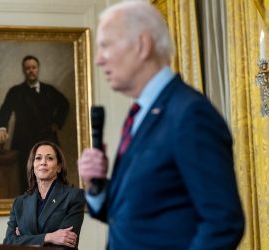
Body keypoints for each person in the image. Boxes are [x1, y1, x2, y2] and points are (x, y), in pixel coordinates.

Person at [78, 1, 245, 250]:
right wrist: (96, 186)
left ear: (142, 45)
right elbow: (136, 214)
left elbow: (223, 222)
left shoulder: (190, 114)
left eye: (106, 46)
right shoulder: (141, 114)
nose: (99, 60)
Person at [0, 55, 69, 192]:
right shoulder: (15, 92)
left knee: (52, 178)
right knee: (27, 181)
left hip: (47, 139)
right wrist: (1, 128)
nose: (31, 71)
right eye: (27, 68)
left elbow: (65, 104)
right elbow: (5, 111)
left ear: (38, 69)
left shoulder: (49, 90)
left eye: (33, 67)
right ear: (24, 70)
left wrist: (57, 122)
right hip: (24, 142)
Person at [3, 141, 85, 249]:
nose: (43, 162)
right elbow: (8, 242)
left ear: (59, 167)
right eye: (38, 158)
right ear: (33, 165)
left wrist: (24, 238)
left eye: (50, 158)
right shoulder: (19, 203)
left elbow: (66, 243)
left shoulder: (74, 196)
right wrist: (48, 237)